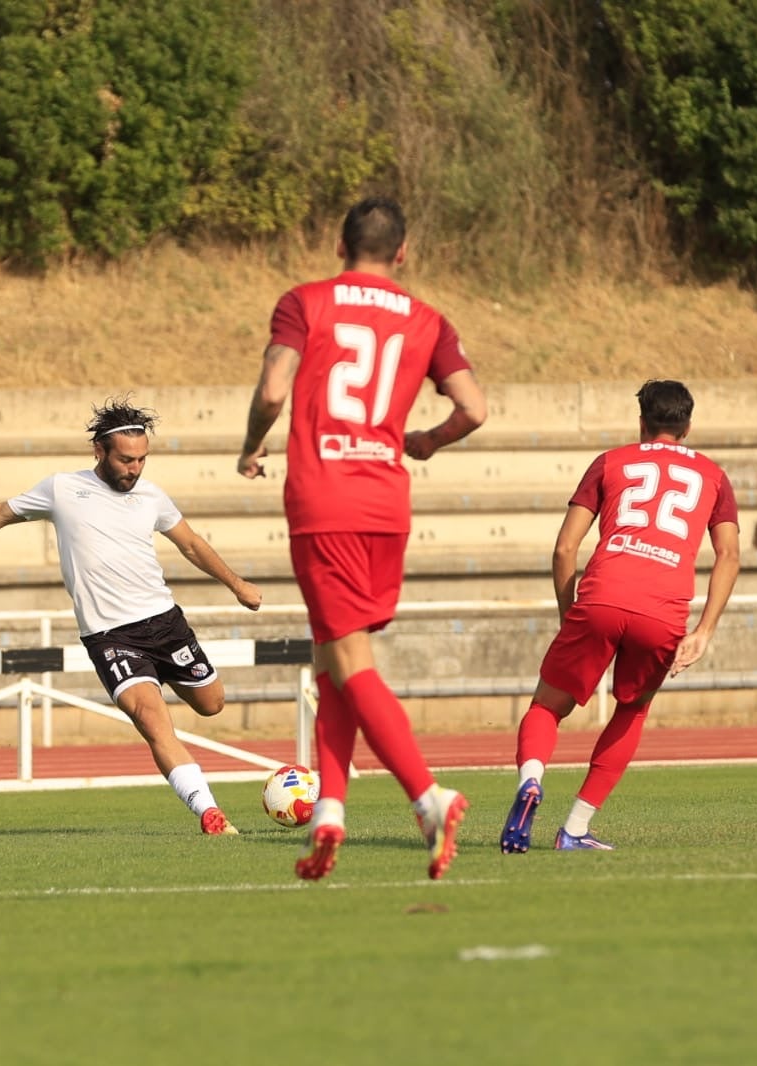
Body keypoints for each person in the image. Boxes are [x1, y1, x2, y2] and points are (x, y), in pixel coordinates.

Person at [237, 196, 490, 881]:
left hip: (325, 500)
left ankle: (428, 796)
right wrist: (426, 442)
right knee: (332, 656)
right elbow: (473, 408)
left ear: (338, 243)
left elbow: (271, 389)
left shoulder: (306, 302)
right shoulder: (428, 320)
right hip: (386, 501)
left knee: (350, 657)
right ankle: (329, 811)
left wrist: (251, 447)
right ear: (402, 252)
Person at [0, 398, 263, 834]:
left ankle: (202, 779)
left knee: (212, 704)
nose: (134, 468)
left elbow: (192, 544)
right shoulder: (62, 489)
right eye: (126, 459)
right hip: (110, 636)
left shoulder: (152, 496)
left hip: (164, 623)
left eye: (141, 459)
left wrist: (237, 585)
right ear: (99, 452)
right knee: (152, 719)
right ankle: (208, 811)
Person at [499, 379, 740, 853]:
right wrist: (704, 631)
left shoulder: (611, 462)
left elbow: (565, 547)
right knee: (632, 709)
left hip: (603, 594)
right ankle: (574, 829)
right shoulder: (714, 476)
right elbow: (729, 555)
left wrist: (571, 614)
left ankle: (531, 781)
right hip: (664, 609)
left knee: (547, 706)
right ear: (687, 426)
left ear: (641, 423)